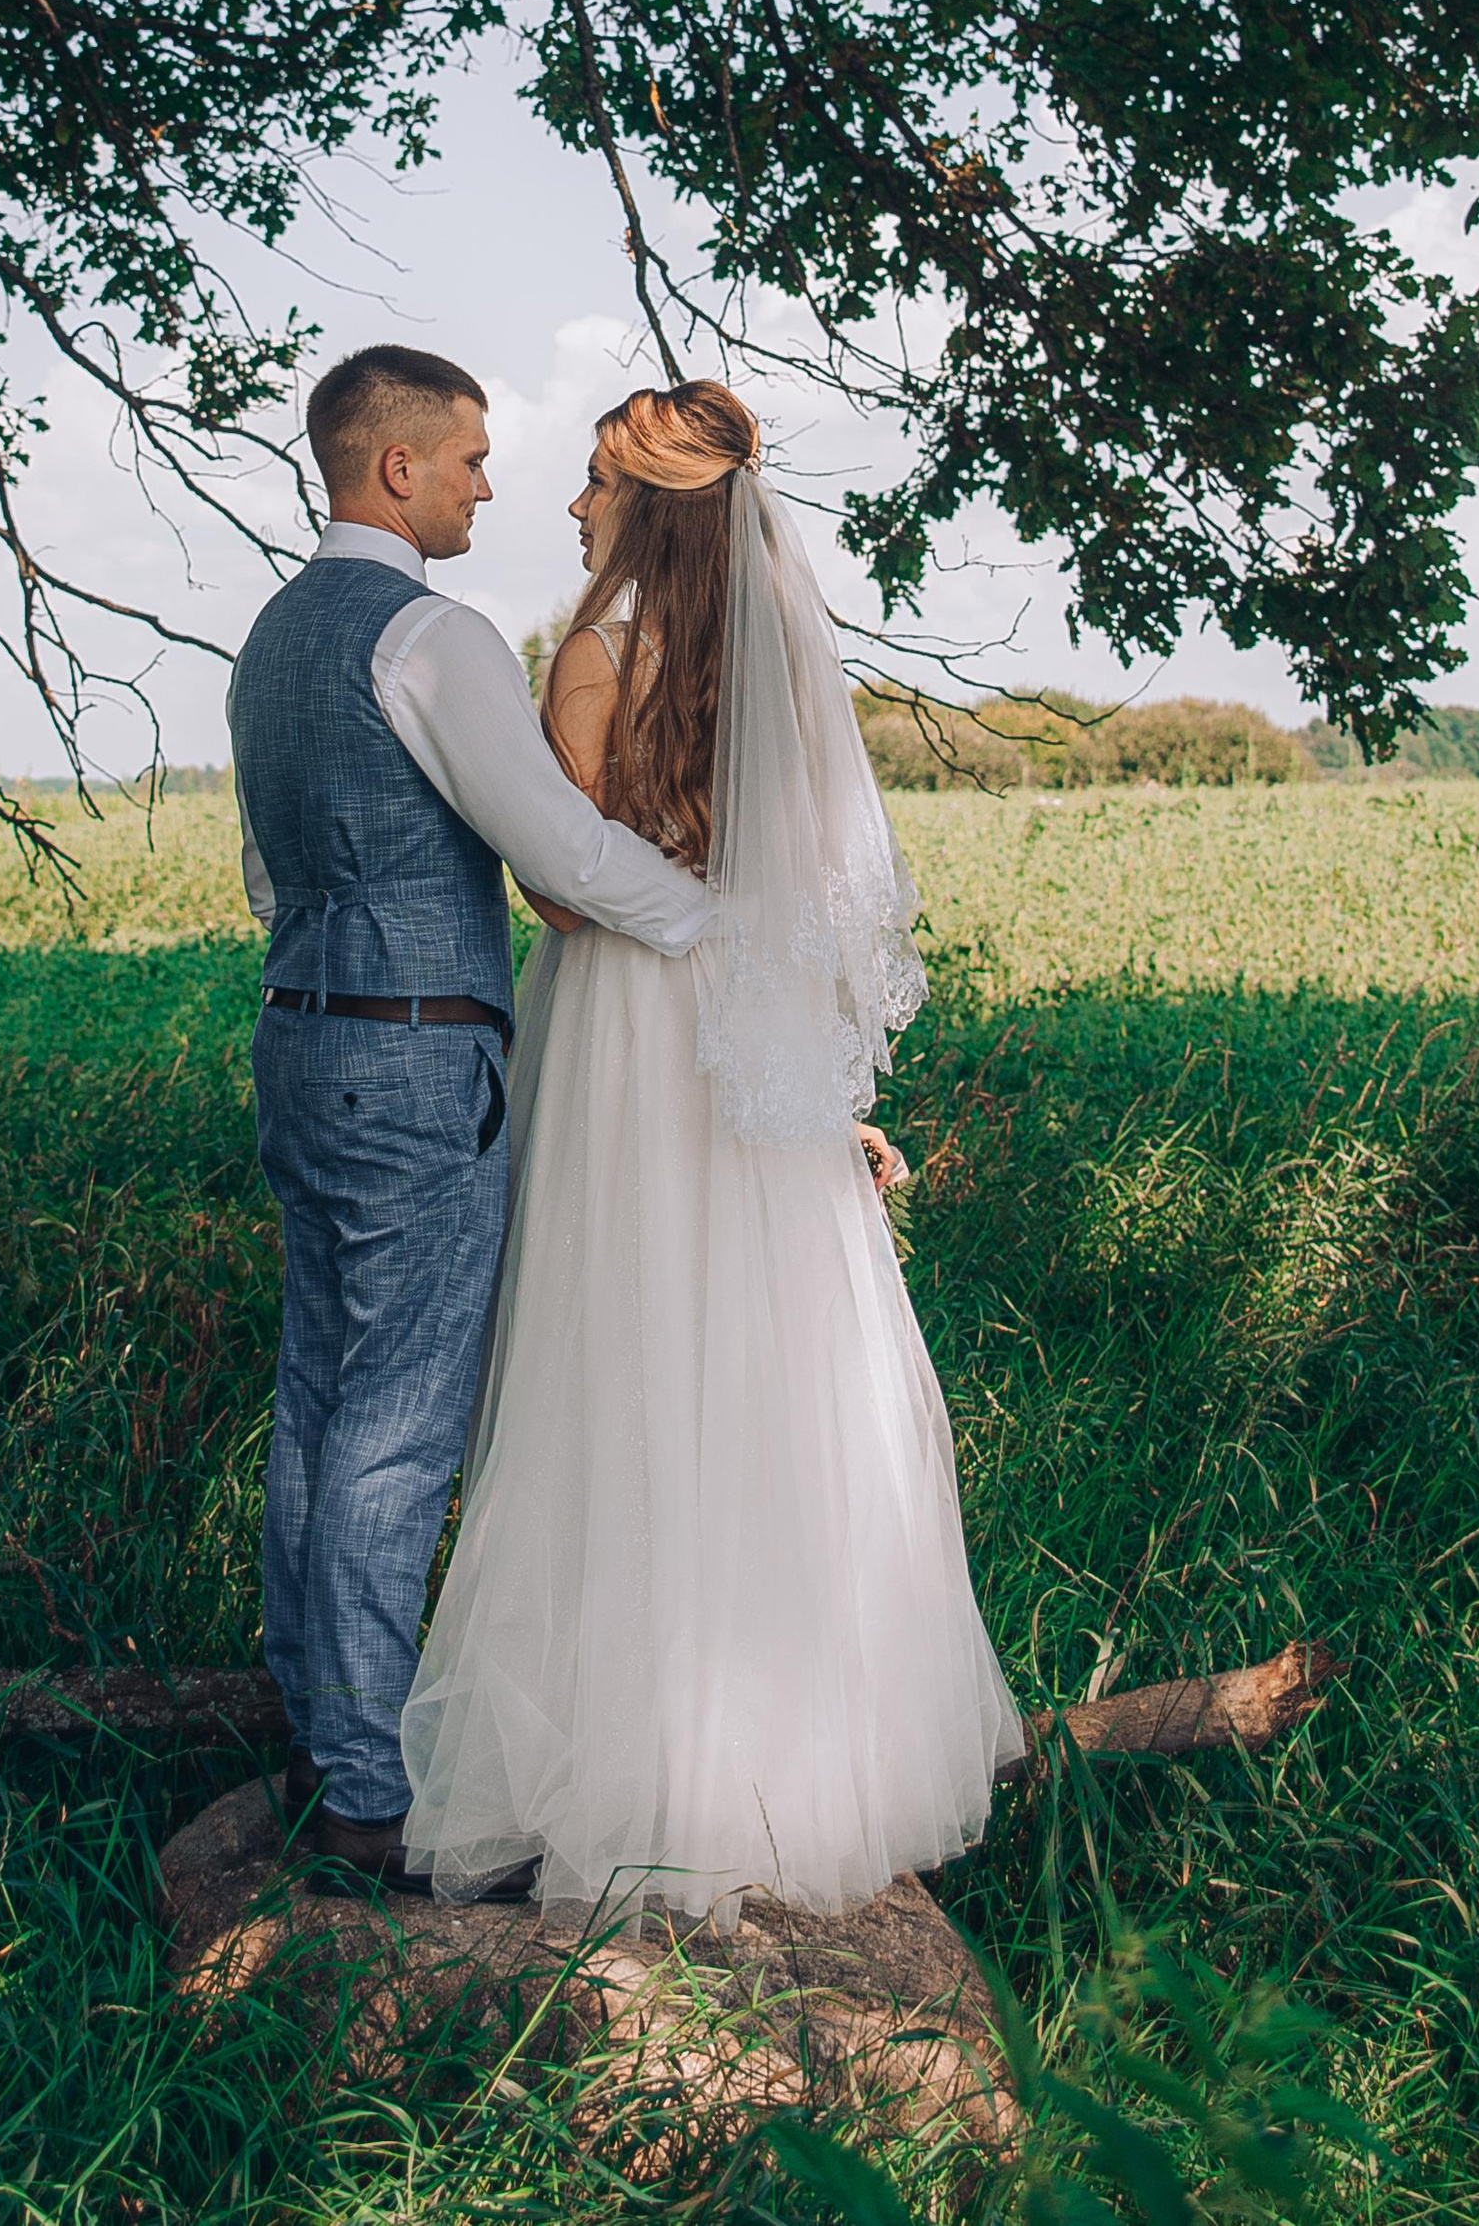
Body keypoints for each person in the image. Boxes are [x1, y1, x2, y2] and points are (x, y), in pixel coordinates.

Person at [400, 376, 1025, 1934]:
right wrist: (829, 1089)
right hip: (750, 1038)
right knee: (769, 1359)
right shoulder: (777, 666)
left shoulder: (594, 654)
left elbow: (559, 890)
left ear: (649, 506)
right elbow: (809, 903)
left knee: (615, 1357)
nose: (569, 506)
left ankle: (623, 1768)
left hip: (625, 1031)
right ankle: (798, 1764)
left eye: (595, 484)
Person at [227, 343, 716, 1892]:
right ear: (395, 469)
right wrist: (719, 921)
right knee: (397, 1428)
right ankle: (370, 1792)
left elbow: (270, 875)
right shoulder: (429, 640)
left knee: (316, 1403)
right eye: (470, 463)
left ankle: (319, 1734)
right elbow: (562, 855)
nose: (489, 488)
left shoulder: (272, 638)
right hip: (414, 1059)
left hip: (297, 1035)